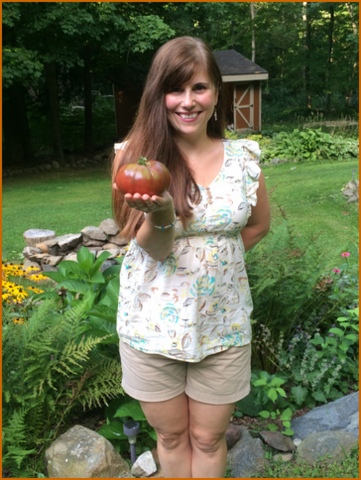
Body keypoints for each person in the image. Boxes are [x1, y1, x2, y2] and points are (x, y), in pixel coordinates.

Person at [112, 36, 271, 478]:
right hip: (152, 325)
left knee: (207, 437)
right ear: (158, 93)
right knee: (172, 437)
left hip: (223, 323)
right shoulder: (134, 162)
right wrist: (162, 213)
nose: (187, 101)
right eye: (175, 89)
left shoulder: (244, 159)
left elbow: (257, 227)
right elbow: (154, 248)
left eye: (199, 88)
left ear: (217, 92)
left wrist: (213, 267)